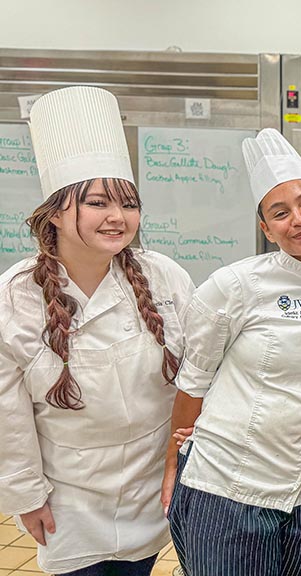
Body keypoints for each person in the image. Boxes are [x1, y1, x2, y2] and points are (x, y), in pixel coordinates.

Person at [0, 86, 193, 575]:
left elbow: (199, 374)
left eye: (129, 204)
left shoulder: (164, 276)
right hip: (68, 499)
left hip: (152, 490)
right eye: (98, 203)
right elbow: (7, 411)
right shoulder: (16, 295)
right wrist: (24, 495)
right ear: (57, 211)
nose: (118, 217)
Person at [163, 128, 301, 576]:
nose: (298, 219)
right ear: (266, 228)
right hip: (228, 488)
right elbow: (192, 382)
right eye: (280, 212)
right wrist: (173, 467)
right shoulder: (235, 285)